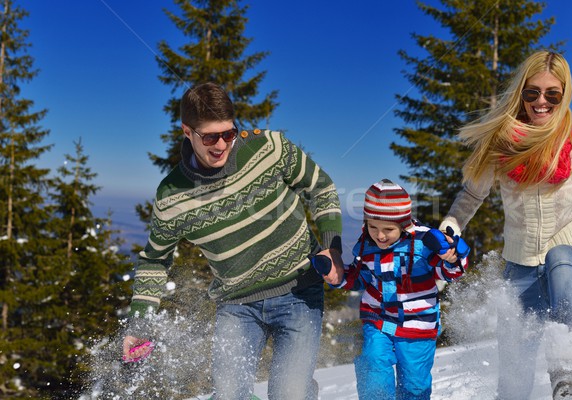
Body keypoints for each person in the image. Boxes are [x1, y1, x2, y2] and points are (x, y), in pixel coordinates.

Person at [122, 82, 344, 400]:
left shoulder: (270, 147)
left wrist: (332, 246)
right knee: (227, 396)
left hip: (299, 292)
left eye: (229, 133)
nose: (222, 144)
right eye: (210, 136)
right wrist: (139, 324)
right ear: (187, 131)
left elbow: (320, 186)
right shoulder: (172, 195)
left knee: (290, 394)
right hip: (236, 305)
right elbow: (155, 260)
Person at [439, 51, 572, 400]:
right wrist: (451, 225)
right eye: (532, 93)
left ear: (564, 95)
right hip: (521, 271)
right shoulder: (501, 147)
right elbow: (470, 195)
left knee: (559, 256)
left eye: (552, 95)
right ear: (522, 94)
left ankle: (567, 379)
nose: (541, 102)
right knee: (513, 383)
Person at [313, 179, 469, 400]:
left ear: (403, 224)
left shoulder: (425, 242)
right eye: (373, 226)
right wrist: (337, 276)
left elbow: (449, 274)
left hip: (418, 325)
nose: (380, 235)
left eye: (388, 229)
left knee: (414, 387)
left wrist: (452, 257)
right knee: (373, 364)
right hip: (378, 320)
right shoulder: (366, 245)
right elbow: (361, 278)